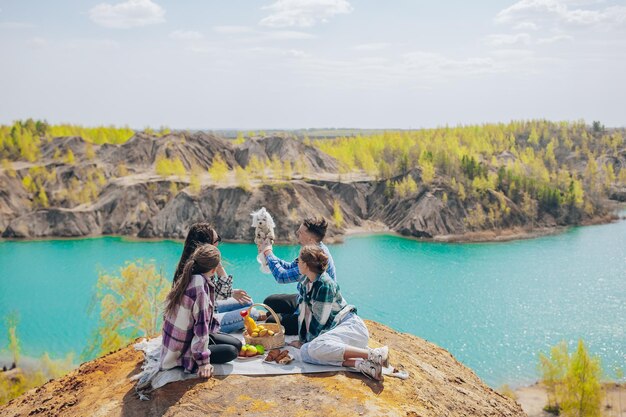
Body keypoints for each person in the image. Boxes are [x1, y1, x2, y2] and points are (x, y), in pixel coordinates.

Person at [287, 245, 388, 381]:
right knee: (306, 352)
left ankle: (373, 354)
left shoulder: (325, 285)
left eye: (297, 260)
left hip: (350, 328)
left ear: (305, 265)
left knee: (312, 348)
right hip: (334, 332)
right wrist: (302, 341)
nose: (296, 263)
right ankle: (361, 365)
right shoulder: (306, 283)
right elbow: (303, 316)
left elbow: (318, 322)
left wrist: (306, 343)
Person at [160, 244, 241, 377]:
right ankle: (193, 358)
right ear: (214, 269)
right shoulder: (200, 288)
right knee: (232, 351)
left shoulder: (191, 276)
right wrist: (203, 362)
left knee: (237, 344)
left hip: (177, 342)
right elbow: (201, 328)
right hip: (182, 351)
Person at [174, 222, 264, 333]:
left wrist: (231, 292)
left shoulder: (191, 263)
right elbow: (208, 299)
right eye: (217, 240)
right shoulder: (198, 271)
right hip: (203, 322)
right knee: (253, 313)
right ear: (208, 244)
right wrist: (218, 264)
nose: (218, 244)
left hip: (209, 309)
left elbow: (211, 293)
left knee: (248, 302)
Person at [258, 217, 336, 335]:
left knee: (272, 321)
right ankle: (290, 315)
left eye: (300, 232)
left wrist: (268, 253)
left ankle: (294, 318)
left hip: (316, 310)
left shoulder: (314, 257)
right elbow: (290, 267)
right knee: (269, 301)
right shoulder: (312, 248)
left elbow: (282, 277)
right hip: (305, 299)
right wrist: (269, 255)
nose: (297, 233)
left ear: (309, 238)